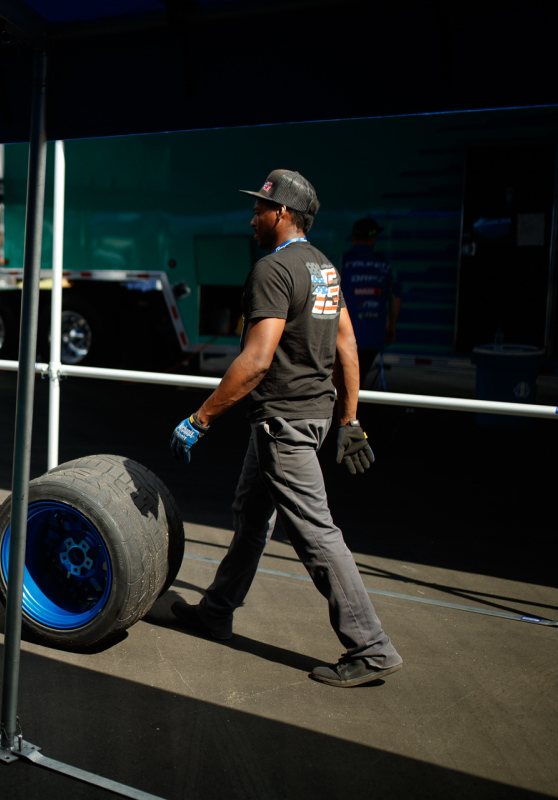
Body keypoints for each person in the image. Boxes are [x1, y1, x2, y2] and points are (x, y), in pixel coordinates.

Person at [169, 169, 402, 688]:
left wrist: (199, 418)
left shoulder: (271, 271)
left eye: (259, 209)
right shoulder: (323, 268)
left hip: (285, 422)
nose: (253, 217)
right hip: (309, 416)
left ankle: (370, 646)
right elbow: (347, 344)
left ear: (282, 214)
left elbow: (255, 360)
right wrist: (349, 420)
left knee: (315, 532)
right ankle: (217, 610)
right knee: (252, 516)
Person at [340, 218, 401, 388]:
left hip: (345, 336)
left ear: (353, 238)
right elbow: (396, 298)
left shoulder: (342, 261)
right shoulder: (385, 266)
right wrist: (391, 327)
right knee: (358, 380)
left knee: (344, 381)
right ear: (373, 239)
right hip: (373, 337)